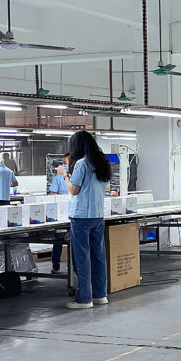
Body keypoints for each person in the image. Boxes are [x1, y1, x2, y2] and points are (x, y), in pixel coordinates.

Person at [56, 131, 112, 309]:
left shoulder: (81, 163)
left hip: (81, 216)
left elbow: (74, 190)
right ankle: (100, 295)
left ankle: (84, 299)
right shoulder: (102, 162)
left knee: (82, 257)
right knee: (98, 256)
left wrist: (64, 175)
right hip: (98, 215)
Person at [48, 154, 71, 273]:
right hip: (63, 212)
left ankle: (73, 265)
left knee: (73, 240)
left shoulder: (78, 175)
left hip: (74, 212)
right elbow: (53, 194)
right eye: (63, 163)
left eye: (65, 163)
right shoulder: (58, 178)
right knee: (59, 238)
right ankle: (56, 263)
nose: (63, 165)